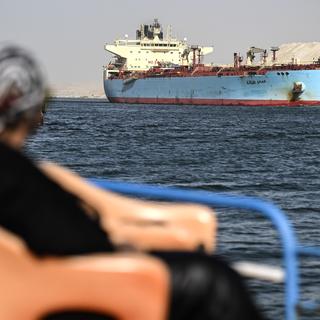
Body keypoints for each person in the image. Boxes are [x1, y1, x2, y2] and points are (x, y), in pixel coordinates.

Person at [0, 44, 265, 320]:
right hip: (89, 286)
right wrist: (142, 242)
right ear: (29, 115)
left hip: (48, 285)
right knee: (216, 280)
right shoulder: (15, 172)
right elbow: (80, 240)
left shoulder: (16, 170)